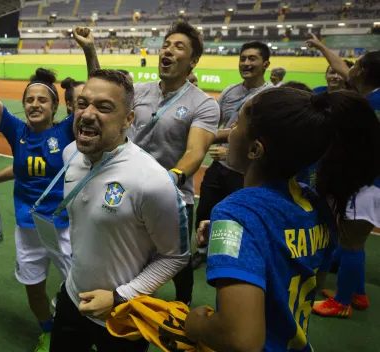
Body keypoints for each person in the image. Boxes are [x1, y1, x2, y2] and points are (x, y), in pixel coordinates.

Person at [184, 87, 380, 351]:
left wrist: (195, 323)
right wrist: (234, 236)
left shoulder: (236, 213)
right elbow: (307, 275)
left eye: (237, 123)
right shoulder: (316, 203)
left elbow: (239, 339)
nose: (230, 133)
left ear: (255, 149)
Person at [72, 21, 219, 305]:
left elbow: (195, 152)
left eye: (179, 47)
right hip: (123, 187)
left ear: (193, 61)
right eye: (166, 44)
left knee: (176, 256)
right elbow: (102, 95)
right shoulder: (138, 90)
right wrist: (90, 50)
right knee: (128, 253)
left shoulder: (203, 104)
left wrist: (166, 180)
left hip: (172, 193)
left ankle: (182, 304)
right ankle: (124, 298)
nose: (168, 50)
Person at [50, 69, 190, 351]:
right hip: (72, 296)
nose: (88, 114)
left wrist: (119, 296)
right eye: (82, 104)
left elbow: (175, 256)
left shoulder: (152, 181)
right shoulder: (70, 155)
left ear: (128, 119)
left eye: (103, 107)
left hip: (122, 315)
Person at [0, 54, 73, 352]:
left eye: (43, 100)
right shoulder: (18, 132)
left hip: (65, 227)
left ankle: (77, 330)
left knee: (79, 287)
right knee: (33, 287)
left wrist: (89, 52)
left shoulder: (66, 131)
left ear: (54, 107)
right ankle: (48, 331)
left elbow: (93, 90)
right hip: (28, 228)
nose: (35, 104)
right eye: (30, 99)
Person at [306, 35, 380, 318]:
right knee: (352, 240)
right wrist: (322, 46)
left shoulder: (366, 105)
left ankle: (342, 302)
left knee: (351, 243)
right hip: (369, 183)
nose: (348, 68)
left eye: (356, 64)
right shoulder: (370, 95)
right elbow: (340, 67)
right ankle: (358, 293)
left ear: (361, 72)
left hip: (367, 184)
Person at [192, 41, 272, 270]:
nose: (246, 63)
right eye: (243, 58)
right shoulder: (229, 92)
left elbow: (265, 136)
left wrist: (232, 150)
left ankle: (229, 259)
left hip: (246, 171)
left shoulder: (269, 96)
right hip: (219, 168)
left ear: (265, 63)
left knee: (237, 216)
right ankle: (201, 251)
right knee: (206, 207)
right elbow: (218, 124)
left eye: (252, 59)